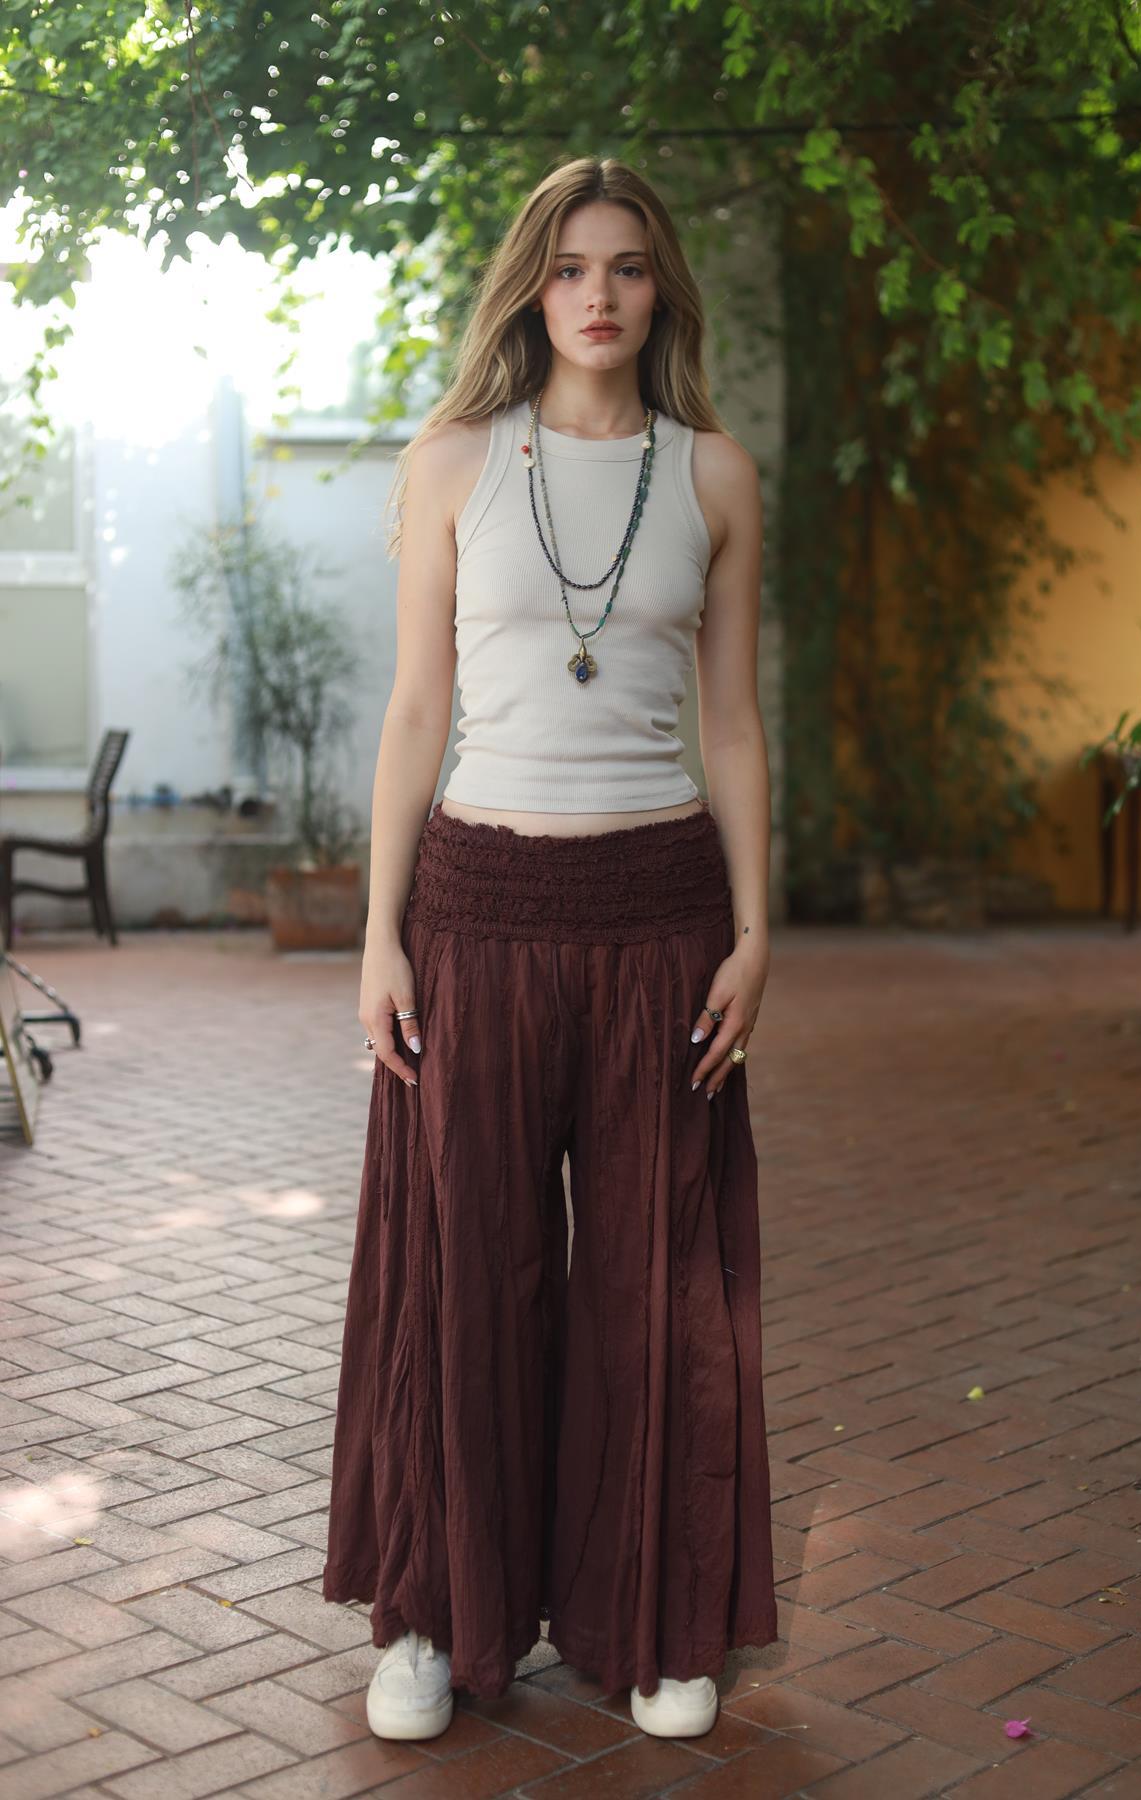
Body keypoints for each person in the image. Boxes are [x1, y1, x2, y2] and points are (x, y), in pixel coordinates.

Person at [322, 154, 778, 1744]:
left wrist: (757, 930)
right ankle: (435, 1617)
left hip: (662, 918)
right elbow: (416, 711)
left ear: (662, 291)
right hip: (476, 916)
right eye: (572, 267)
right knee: (468, 1275)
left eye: (628, 267)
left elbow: (733, 723)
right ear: (532, 286)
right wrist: (378, 937)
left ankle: (653, 1628)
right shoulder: (454, 461)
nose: (599, 295)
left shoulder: (715, 476)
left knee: (658, 1283)